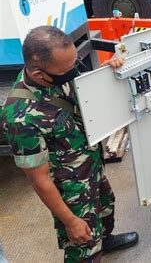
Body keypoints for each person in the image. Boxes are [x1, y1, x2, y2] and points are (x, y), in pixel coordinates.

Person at [0, 26, 138, 262]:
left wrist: (105, 75)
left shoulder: (60, 69)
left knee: (105, 209)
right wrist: (70, 221)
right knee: (82, 243)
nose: (73, 71)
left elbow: (83, 91)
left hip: (91, 165)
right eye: (66, 70)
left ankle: (105, 239)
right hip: (70, 189)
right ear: (38, 73)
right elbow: (39, 180)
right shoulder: (19, 117)